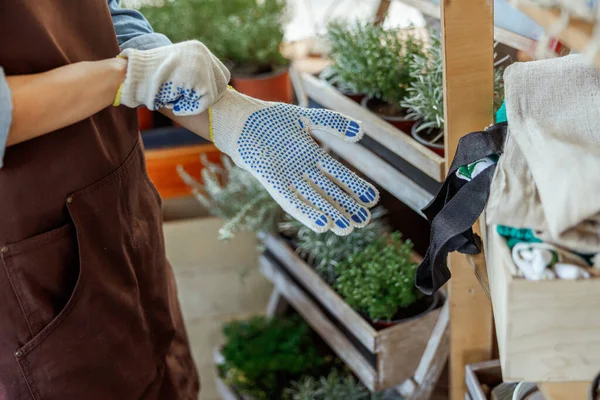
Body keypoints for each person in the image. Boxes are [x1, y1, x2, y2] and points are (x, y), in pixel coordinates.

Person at [0, 1, 379, 399]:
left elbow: (103, 14)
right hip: (32, 262)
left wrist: (227, 113)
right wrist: (130, 77)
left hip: (120, 205)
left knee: (168, 370)